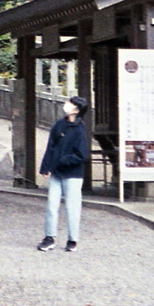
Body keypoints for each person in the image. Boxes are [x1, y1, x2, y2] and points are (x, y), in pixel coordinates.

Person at [36, 95, 89, 253]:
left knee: (72, 208)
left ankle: (73, 239)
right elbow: (50, 146)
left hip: (73, 174)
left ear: (76, 110)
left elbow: (82, 154)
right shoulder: (58, 125)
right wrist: (45, 167)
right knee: (51, 205)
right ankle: (49, 237)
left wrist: (61, 160)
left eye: (70, 103)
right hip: (57, 172)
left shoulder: (80, 130)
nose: (66, 105)